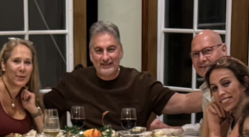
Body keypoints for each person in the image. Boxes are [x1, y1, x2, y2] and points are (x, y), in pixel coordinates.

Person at [43, 21, 202, 130]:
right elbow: (41, 105)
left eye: (111, 49)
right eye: (99, 51)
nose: (105, 57)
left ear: (121, 52)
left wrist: (220, 93)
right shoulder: (74, 81)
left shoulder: (140, 82)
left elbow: (184, 102)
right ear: (91, 56)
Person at [151, 30, 249, 131]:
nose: (202, 59)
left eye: (207, 51)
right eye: (196, 54)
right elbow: (206, 128)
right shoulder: (208, 89)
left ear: (224, 49)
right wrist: (175, 130)